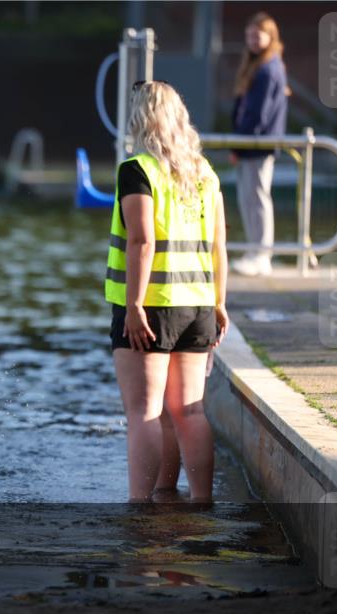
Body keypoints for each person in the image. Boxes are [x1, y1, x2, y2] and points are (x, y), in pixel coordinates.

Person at [106, 81, 230, 503]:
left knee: (144, 413)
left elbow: (142, 241)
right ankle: (194, 501)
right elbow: (218, 246)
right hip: (197, 305)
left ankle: (139, 509)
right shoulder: (204, 173)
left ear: (141, 119)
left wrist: (134, 305)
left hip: (152, 307)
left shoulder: (136, 169)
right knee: (188, 411)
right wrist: (219, 303)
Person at [229, 12, 289, 277]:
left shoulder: (268, 68)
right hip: (250, 143)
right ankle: (255, 251)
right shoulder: (258, 65)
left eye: (258, 35)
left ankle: (261, 254)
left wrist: (238, 145)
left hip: (257, 144)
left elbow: (258, 113)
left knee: (257, 198)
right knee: (248, 197)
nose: (252, 40)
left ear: (270, 36)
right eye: (249, 35)